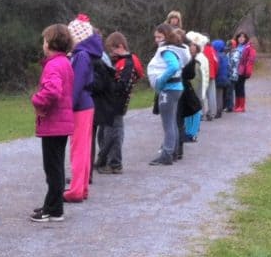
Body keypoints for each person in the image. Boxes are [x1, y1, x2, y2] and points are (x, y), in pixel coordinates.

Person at [30, 24, 75, 222]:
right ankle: (53, 205)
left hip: (54, 123)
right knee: (55, 166)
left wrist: (37, 99)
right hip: (61, 123)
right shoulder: (65, 62)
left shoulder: (53, 65)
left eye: (44, 40)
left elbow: (53, 91)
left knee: (52, 168)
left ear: (49, 44)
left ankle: (54, 209)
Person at [94, 32, 143, 174]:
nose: (111, 53)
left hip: (117, 103)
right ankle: (105, 161)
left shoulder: (128, 62)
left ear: (120, 46)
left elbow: (122, 86)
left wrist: (107, 81)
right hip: (110, 102)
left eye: (112, 49)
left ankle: (114, 163)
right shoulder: (120, 61)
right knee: (103, 133)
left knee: (113, 134)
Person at [63, 14, 100, 203]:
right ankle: (82, 187)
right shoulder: (84, 54)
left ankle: (76, 190)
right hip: (86, 105)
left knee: (77, 149)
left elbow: (75, 85)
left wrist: (67, 107)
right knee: (83, 148)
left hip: (80, 106)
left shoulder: (81, 56)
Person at [146, 24, 190, 166]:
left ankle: (167, 154)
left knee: (168, 124)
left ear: (167, 36)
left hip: (169, 89)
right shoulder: (173, 49)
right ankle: (173, 152)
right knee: (172, 122)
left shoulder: (167, 51)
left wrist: (160, 81)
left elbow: (173, 67)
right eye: (155, 37)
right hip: (175, 88)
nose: (156, 40)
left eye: (159, 37)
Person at [183, 32, 210, 142]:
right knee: (188, 111)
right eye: (190, 45)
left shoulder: (201, 59)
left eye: (194, 45)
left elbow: (204, 76)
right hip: (189, 88)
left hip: (196, 88)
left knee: (195, 111)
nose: (191, 47)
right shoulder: (189, 57)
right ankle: (187, 131)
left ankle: (192, 133)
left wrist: (202, 92)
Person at [232, 32, 257, 112]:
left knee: (240, 87)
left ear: (246, 38)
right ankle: (237, 105)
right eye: (239, 37)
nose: (241, 38)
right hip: (235, 70)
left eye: (243, 37)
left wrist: (247, 70)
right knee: (236, 88)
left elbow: (251, 60)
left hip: (242, 71)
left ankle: (242, 106)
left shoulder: (247, 47)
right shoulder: (236, 46)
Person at [212, 39, 232, 118]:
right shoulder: (224, 55)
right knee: (221, 94)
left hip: (218, 78)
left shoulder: (217, 56)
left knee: (217, 95)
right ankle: (220, 109)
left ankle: (218, 111)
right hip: (225, 78)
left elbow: (217, 68)